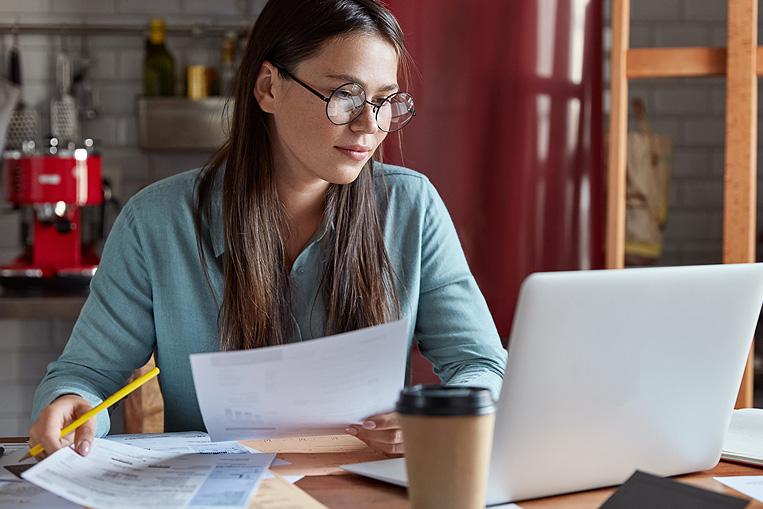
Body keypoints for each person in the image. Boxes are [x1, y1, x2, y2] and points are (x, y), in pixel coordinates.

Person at [29, 0, 507, 458]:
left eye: (385, 102)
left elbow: (482, 366)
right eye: (346, 97)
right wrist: (72, 401)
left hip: (363, 491)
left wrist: (444, 414)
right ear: (268, 88)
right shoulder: (155, 222)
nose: (370, 124)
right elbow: (87, 374)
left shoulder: (411, 207)